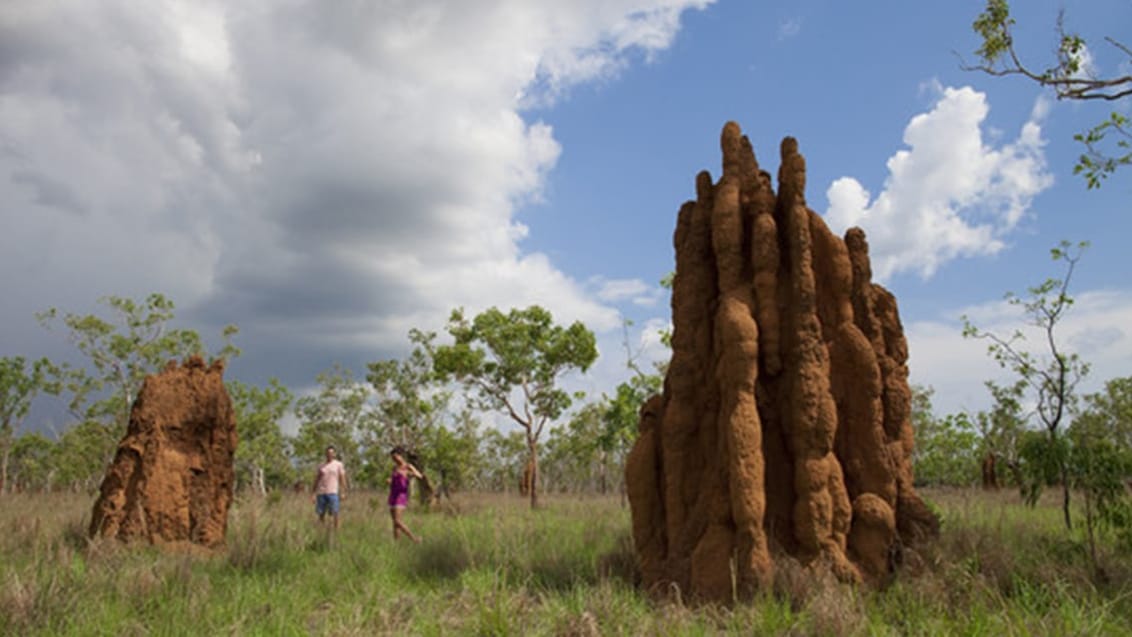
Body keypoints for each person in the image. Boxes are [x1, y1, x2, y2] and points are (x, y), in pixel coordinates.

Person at [388, 446, 423, 542]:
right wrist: (390, 480)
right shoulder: (394, 468)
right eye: (392, 458)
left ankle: (414, 538)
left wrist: (409, 473)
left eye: (395, 457)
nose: (394, 459)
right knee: (394, 523)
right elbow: (393, 480)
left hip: (401, 496)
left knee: (397, 521)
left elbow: (419, 476)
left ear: (401, 456)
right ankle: (397, 544)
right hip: (392, 495)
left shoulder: (408, 466)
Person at [311, 445, 348, 529]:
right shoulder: (321, 466)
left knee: (335, 512)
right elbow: (316, 480)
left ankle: (336, 530)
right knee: (321, 513)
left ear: (334, 454)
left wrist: (343, 491)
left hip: (333, 492)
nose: (329, 455)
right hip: (322, 492)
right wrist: (313, 493)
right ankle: (321, 530)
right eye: (328, 453)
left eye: (331, 453)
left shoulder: (338, 464)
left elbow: (342, 478)